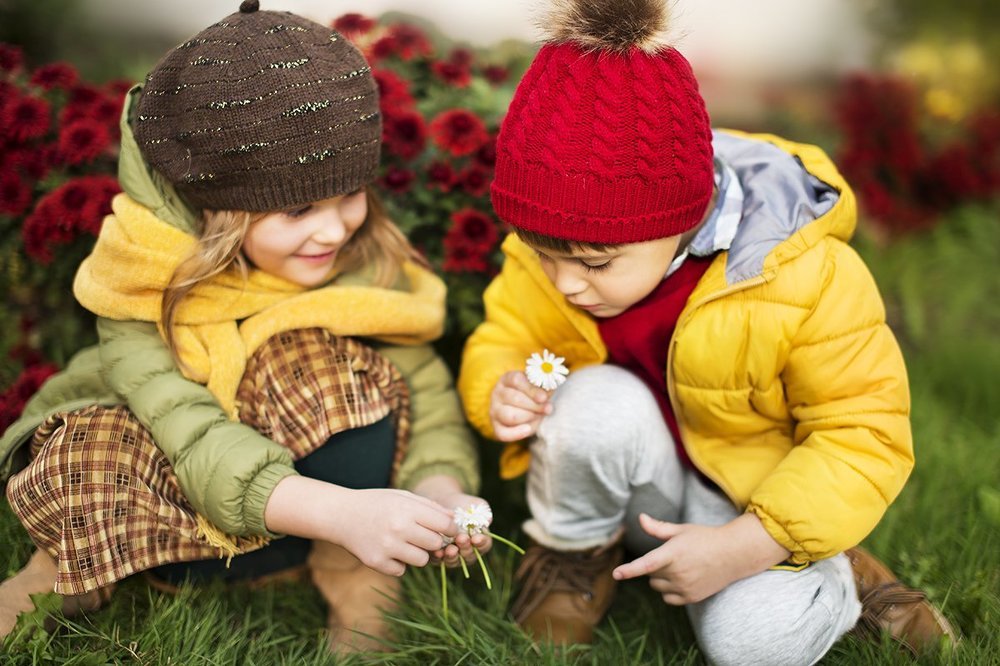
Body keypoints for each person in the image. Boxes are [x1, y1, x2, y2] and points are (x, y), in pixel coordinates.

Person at [457, 0, 956, 663]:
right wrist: (500, 387)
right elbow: (504, 336)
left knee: (752, 647)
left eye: (595, 263)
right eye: (545, 256)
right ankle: (573, 559)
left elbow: (863, 432)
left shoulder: (798, 271)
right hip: (645, 485)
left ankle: (839, 575)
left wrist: (748, 545)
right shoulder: (553, 258)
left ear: (683, 219)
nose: (566, 282)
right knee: (590, 401)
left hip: (756, 503)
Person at [0, 0, 491, 652]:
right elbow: (192, 432)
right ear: (218, 213)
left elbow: (424, 394)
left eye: (349, 194)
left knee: (337, 363)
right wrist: (343, 511)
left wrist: (441, 491)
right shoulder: (143, 282)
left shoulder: (363, 259)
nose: (335, 227)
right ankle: (71, 571)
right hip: (173, 497)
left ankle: (352, 575)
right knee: (90, 442)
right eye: (299, 211)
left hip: (310, 523)